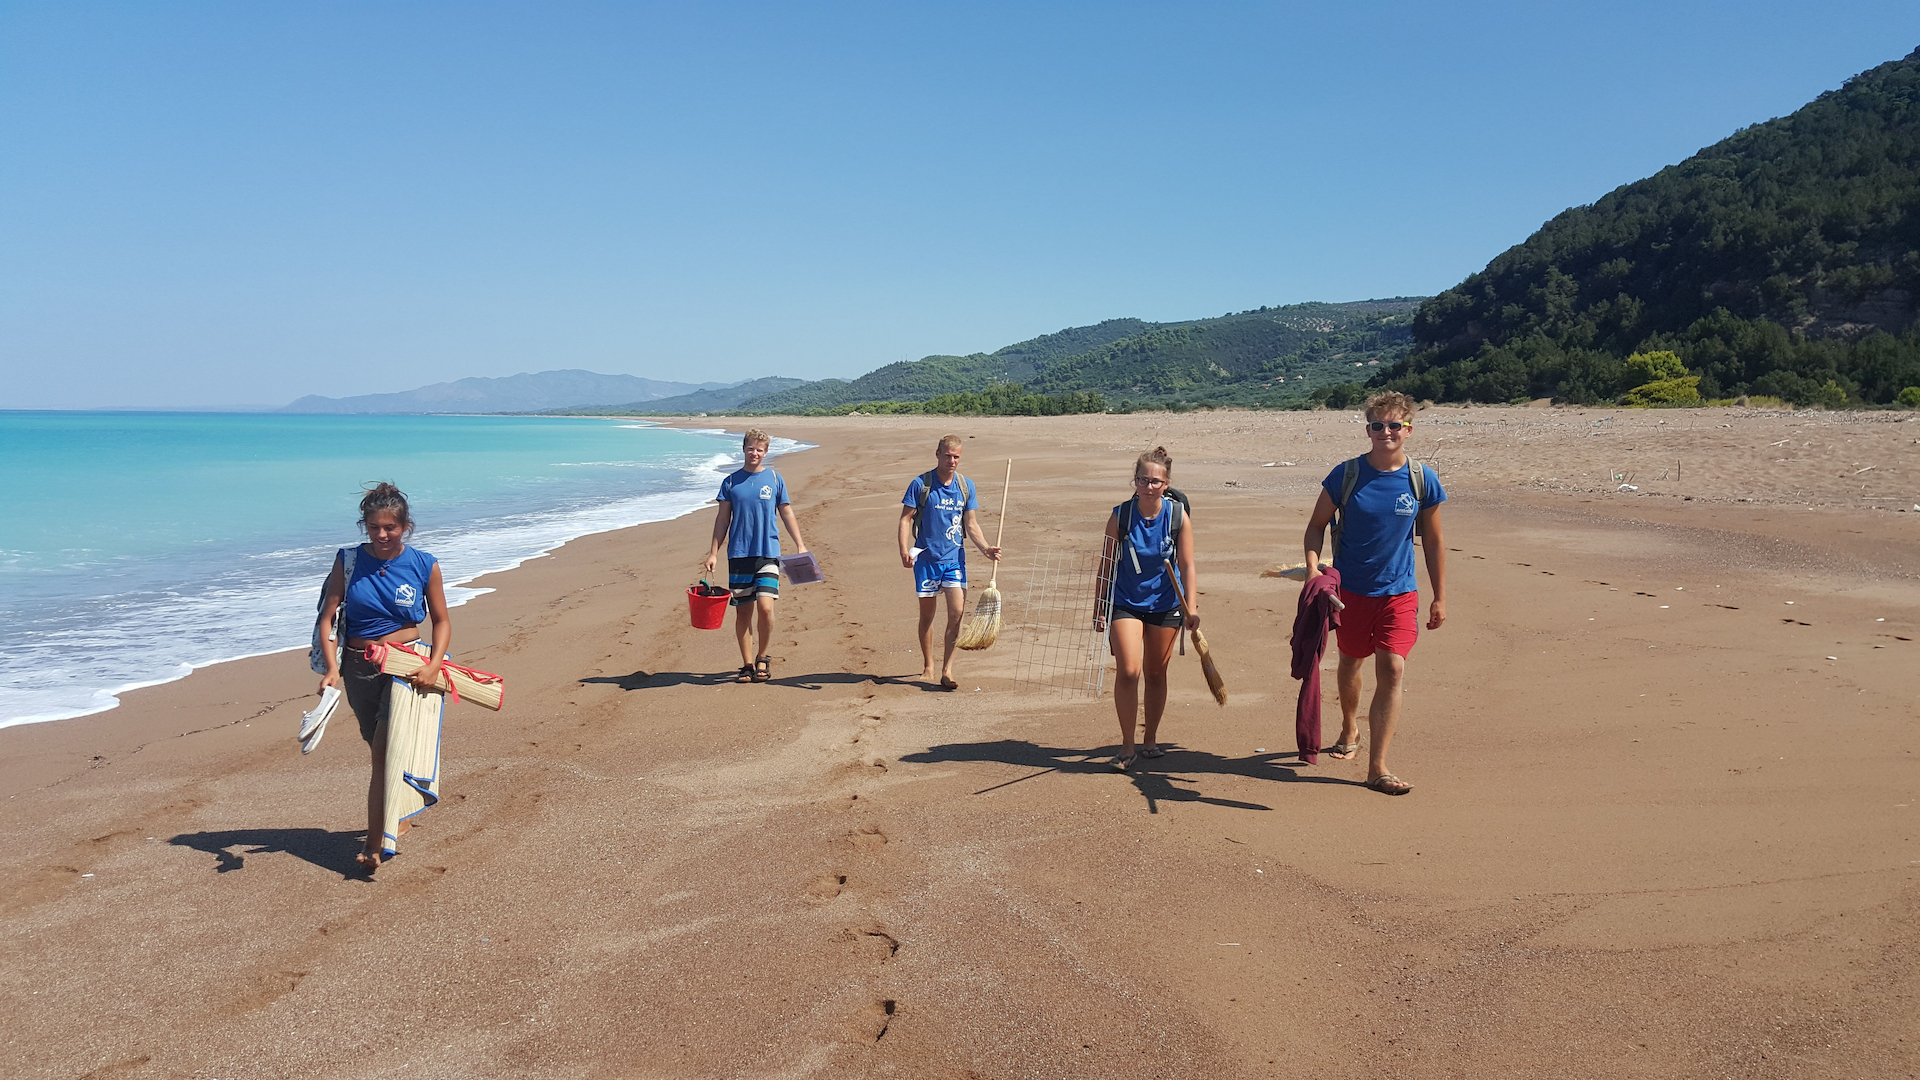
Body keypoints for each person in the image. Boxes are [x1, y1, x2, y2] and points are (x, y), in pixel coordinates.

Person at [1301, 391, 1447, 795]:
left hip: (1399, 592)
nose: (1386, 432)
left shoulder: (1421, 480)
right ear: (1368, 430)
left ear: (1408, 430)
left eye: (1394, 425)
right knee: (1350, 661)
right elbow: (1316, 526)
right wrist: (1315, 571)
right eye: (1378, 425)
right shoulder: (1346, 475)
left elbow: (1433, 542)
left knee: (1393, 669)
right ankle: (1349, 724)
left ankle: (1377, 768)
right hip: (1350, 592)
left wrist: (1439, 596)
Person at [315, 482, 452, 872]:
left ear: (406, 526)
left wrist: (434, 664)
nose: (382, 535)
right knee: (375, 742)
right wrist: (332, 669)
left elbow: (441, 621)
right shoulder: (348, 561)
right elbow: (329, 620)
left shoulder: (425, 564)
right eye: (374, 527)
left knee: (383, 752)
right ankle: (400, 806)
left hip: (406, 666)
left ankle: (376, 843)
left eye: (390, 527)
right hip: (359, 666)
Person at [1093, 446, 1198, 771]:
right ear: (1134, 481)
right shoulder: (1121, 516)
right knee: (1129, 670)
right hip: (1125, 602)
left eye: (1155, 481)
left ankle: (1149, 739)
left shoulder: (1178, 517)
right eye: (1142, 480)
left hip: (1166, 605)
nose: (1148, 486)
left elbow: (1188, 564)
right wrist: (1100, 606)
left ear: (1166, 484)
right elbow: (1106, 565)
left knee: (1156, 673)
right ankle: (1127, 745)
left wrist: (1191, 607)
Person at [897, 435, 1002, 689]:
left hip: (954, 560)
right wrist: (903, 550)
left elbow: (971, 524)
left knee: (956, 615)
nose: (952, 461)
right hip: (926, 560)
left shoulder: (966, 487)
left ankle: (947, 670)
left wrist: (986, 548)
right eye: (948, 456)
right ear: (937, 454)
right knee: (927, 616)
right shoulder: (921, 484)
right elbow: (905, 519)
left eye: (957, 456)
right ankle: (928, 666)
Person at [704, 429, 808, 683]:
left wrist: (800, 545)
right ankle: (747, 664)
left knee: (765, 606)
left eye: (760, 449)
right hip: (739, 555)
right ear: (744, 449)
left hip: (768, 553)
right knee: (743, 612)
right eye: (751, 448)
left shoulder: (774, 478)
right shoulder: (730, 482)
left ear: (766, 452)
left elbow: (786, 513)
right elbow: (722, 519)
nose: (755, 453)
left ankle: (763, 657)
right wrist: (713, 552)